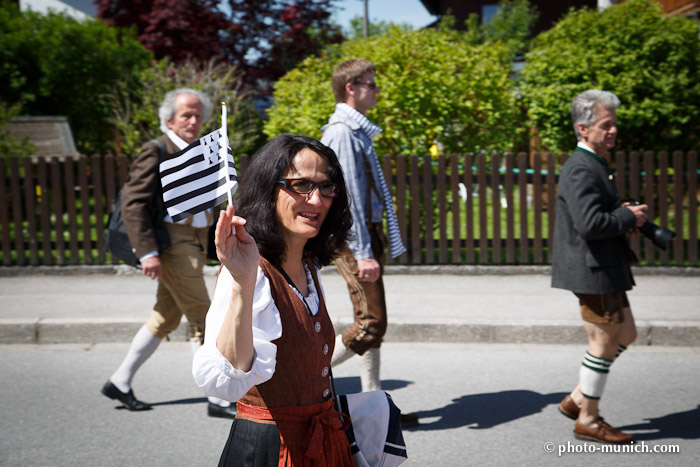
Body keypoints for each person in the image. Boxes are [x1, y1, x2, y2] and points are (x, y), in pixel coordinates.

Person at [192, 134, 356, 465]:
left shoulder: (309, 264)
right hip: (268, 451)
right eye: (300, 185)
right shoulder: (250, 271)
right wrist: (242, 281)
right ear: (270, 189)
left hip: (321, 444)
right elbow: (226, 380)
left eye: (326, 187)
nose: (317, 199)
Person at [101, 88, 235, 419]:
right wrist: (146, 252)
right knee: (205, 316)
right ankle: (217, 397)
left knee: (165, 317)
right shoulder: (157, 149)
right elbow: (134, 202)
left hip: (197, 239)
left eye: (198, 115)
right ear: (169, 120)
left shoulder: (200, 150)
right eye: (186, 115)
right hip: (174, 242)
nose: (193, 121)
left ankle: (119, 381)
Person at [551, 89, 648, 443]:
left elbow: (599, 215)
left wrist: (625, 216)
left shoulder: (595, 163)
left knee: (627, 334)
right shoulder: (580, 168)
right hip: (591, 270)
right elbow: (589, 224)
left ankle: (577, 400)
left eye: (614, 125)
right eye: (606, 125)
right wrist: (625, 216)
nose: (613, 132)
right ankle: (588, 420)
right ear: (583, 129)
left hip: (605, 266)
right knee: (603, 344)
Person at [319, 59, 409, 401]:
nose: (376, 91)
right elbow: (350, 196)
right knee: (371, 324)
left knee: (371, 324)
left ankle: (372, 402)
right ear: (350, 89)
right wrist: (364, 252)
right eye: (371, 85)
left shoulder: (356, 131)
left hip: (365, 235)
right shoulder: (342, 132)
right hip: (355, 239)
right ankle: (309, 374)